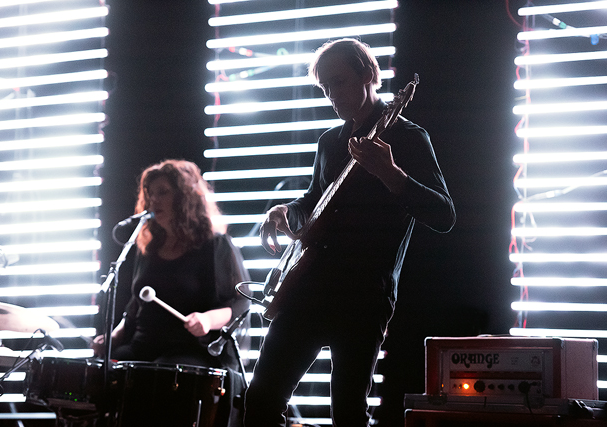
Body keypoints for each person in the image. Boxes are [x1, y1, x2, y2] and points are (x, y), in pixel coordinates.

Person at [243, 38, 456, 427]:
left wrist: (391, 174)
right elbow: (314, 199)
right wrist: (285, 211)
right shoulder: (329, 141)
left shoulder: (407, 137)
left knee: (347, 412)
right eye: (325, 87)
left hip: (363, 296)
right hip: (308, 287)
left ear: (368, 74)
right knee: (260, 400)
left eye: (338, 82)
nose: (332, 95)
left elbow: (444, 214)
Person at [93, 159, 249, 367]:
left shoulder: (215, 245)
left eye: (163, 192)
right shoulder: (149, 248)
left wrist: (207, 320)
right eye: (150, 193)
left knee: (159, 373)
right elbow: (135, 307)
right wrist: (113, 336)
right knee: (104, 370)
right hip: (143, 346)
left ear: (184, 198)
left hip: (190, 350)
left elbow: (240, 303)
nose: (153, 200)